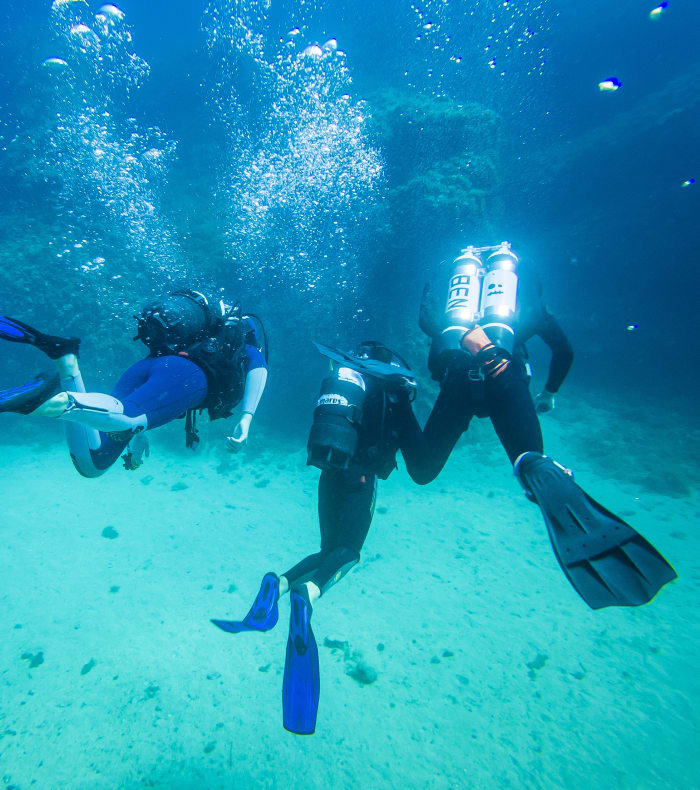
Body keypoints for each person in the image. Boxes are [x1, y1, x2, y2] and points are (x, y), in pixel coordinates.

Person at [397, 242, 676, 609]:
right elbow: (565, 352)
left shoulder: (452, 302)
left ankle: (395, 397)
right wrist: (550, 394)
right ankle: (542, 469)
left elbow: (425, 320)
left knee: (422, 470)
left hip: (459, 378)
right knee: (531, 461)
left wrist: (448, 317)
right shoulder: (517, 306)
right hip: (505, 371)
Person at [210, 340, 418, 736]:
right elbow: (395, 440)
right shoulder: (389, 386)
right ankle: (308, 594)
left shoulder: (345, 380)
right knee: (349, 552)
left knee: (328, 549)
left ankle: (280, 583)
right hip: (360, 478)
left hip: (329, 471)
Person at [0, 289, 268, 477]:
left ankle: (66, 359)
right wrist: (246, 418)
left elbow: (160, 385)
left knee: (95, 462)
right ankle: (50, 401)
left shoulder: (196, 338)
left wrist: (139, 434)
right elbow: (259, 368)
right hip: (186, 379)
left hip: (151, 368)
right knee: (127, 417)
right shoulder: (239, 342)